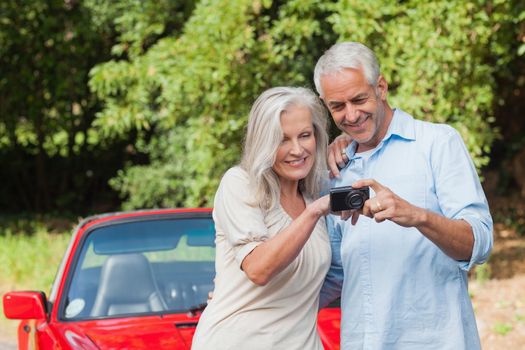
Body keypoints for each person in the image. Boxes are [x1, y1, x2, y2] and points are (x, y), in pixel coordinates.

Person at [315, 42, 493, 349]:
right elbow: (333, 272)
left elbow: (480, 243)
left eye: (359, 99)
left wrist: (418, 216)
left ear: (381, 87)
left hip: (435, 341)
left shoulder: (437, 143)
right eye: (338, 106)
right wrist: (255, 301)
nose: (352, 115)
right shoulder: (335, 169)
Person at [192, 86, 333, 350]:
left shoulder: (316, 195)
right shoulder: (241, 184)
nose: (297, 149)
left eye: (305, 135)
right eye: (282, 139)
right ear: (263, 143)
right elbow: (259, 269)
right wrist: (314, 213)